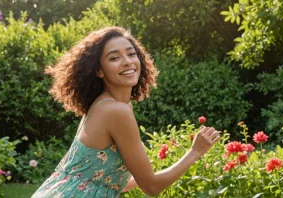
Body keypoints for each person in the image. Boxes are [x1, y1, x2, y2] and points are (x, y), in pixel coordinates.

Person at [31, 26, 220, 198]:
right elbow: (151, 187)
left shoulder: (104, 104)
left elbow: (104, 181)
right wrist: (195, 151)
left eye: (131, 54)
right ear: (99, 71)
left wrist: (144, 172)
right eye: (114, 58)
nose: (127, 62)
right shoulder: (115, 111)